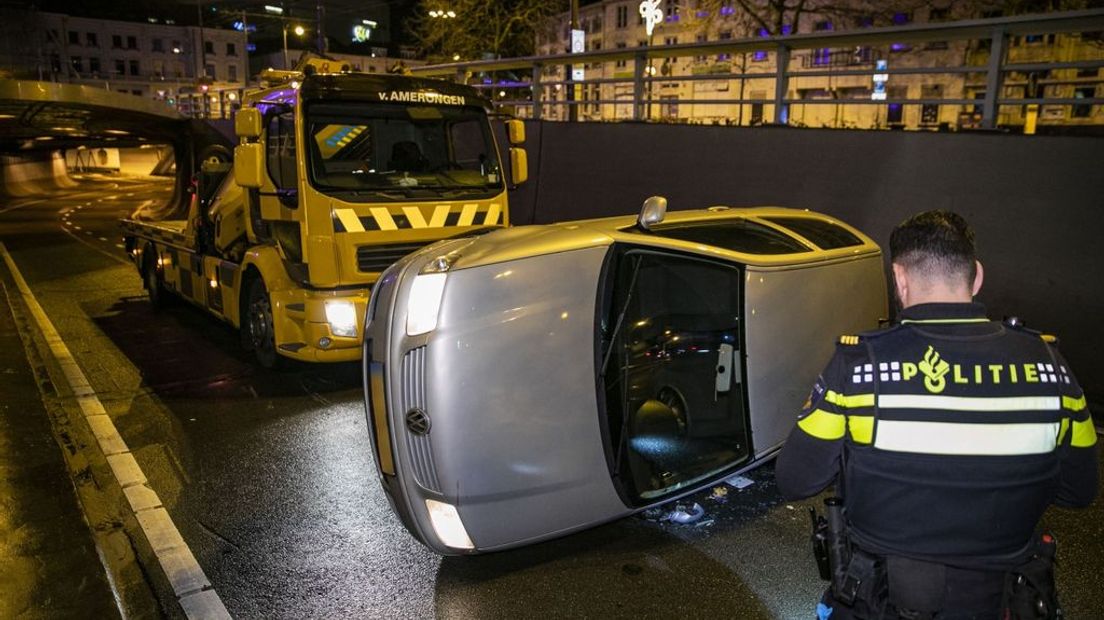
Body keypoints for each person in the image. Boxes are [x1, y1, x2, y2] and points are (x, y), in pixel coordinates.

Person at [775, 210, 1098, 619]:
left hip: (880, 603)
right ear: (976, 276)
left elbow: (794, 480)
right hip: (1002, 602)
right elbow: (1079, 492)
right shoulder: (1051, 367)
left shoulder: (858, 367)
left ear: (899, 279)